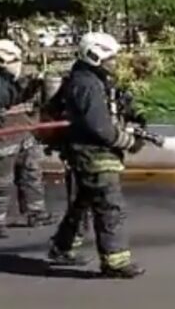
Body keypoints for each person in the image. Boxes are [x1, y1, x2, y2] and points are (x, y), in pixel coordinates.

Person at [46, 32, 146, 278]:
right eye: (110, 57)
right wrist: (128, 141)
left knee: (83, 202)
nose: (115, 62)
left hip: (90, 152)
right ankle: (115, 261)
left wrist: (136, 115)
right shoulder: (86, 83)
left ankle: (62, 246)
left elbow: (115, 104)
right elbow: (99, 126)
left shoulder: (93, 79)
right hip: (93, 153)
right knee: (109, 205)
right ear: (94, 56)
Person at [0, 39, 54, 239]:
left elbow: (34, 103)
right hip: (1, 138)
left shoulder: (22, 77)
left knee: (32, 175)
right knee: (2, 182)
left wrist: (37, 85)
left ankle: (36, 212)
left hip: (26, 134)